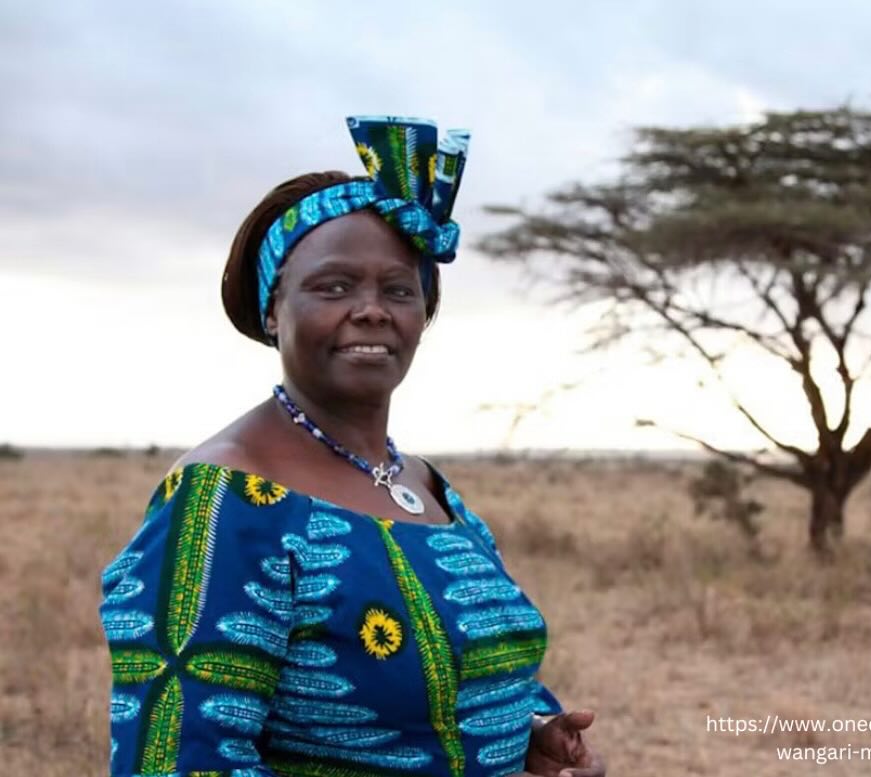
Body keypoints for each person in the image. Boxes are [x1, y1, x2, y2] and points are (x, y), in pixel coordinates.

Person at [99, 116, 606, 777]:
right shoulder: (225, 498)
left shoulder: (427, 486)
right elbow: (172, 761)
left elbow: (447, 689)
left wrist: (525, 735)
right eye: (333, 286)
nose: (372, 309)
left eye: (398, 289)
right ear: (273, 309)